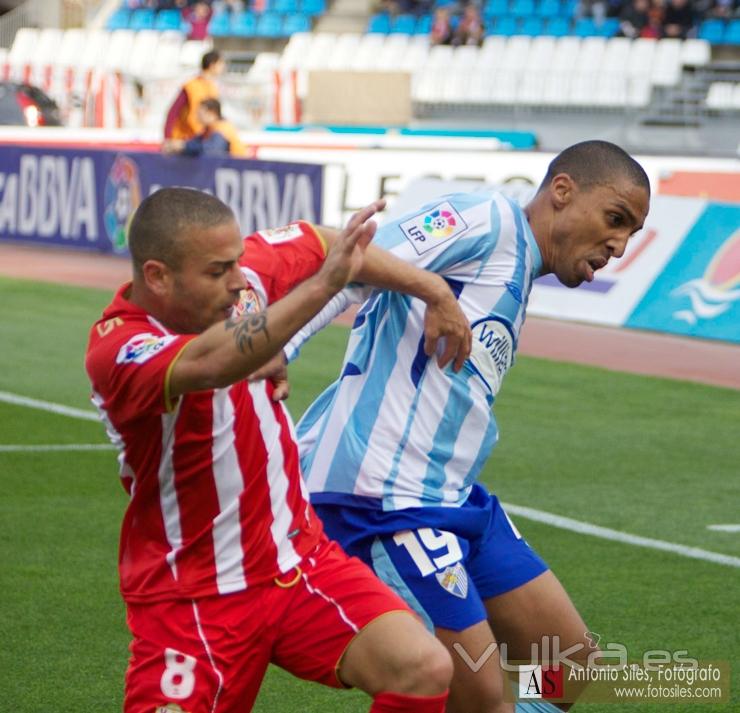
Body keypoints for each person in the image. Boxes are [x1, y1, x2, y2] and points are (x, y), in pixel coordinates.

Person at [289, 141, 651, 713]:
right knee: (481, 697)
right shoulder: (484, 219)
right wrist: (276, 351)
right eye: (615, 219)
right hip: (386, 500)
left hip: (453, 499)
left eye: (631, 233)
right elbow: (351, 261)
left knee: (570, 671)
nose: (620, 244)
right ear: (562, 191)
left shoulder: (520, 267)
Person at [85, 187, 475, 712]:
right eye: (219, 271)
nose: (239, 281)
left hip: (299, 562)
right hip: (194, 595)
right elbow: (212, 362)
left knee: (422, 667)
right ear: (157, 276)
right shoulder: (120, 348)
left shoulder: (232, 287)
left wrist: (434, 290)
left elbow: (321, 241)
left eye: (239, 264)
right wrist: (320, 291)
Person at [163, 50, 224, 142]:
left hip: (200, 140)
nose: (223, 67)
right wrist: (167, 137)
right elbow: (173, 112)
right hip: (183, 138)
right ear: (212, 65)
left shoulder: (212, 88)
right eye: (220, 64)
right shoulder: (191, 85)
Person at [162, 98, 250, 158]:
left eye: (200, 113)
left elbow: (212, 150)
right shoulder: (208, 130)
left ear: (212, 113)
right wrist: (177, 147)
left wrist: (184, 146)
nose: (197, 117)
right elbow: (194, 143)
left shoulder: (222, 129)